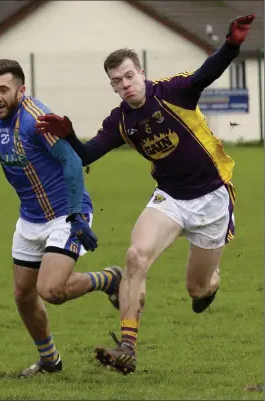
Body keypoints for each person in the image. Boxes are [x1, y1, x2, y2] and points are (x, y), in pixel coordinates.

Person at [35, 15, 255, 374]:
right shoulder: (121, 121)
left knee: (197, 288)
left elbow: (207, 72)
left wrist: (231, 45)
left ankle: (210, 285)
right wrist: (69, 135)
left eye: (128, 76)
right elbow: (88, 155)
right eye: (116, 82)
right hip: (170, 197)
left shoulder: (173, 92)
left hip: (212, 197)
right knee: (135, 256)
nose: (125, 85)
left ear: (141, 73)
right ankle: (128, 348)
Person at [0, 59, 123, 377]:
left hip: (66, 213)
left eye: (4, 89)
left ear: (21, 90)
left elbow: (72, 161)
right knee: (22, 295)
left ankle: (108, 279)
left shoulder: (37, 119)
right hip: (30, 219)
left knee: (52, 291)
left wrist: (76, 215)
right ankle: (50, 361)